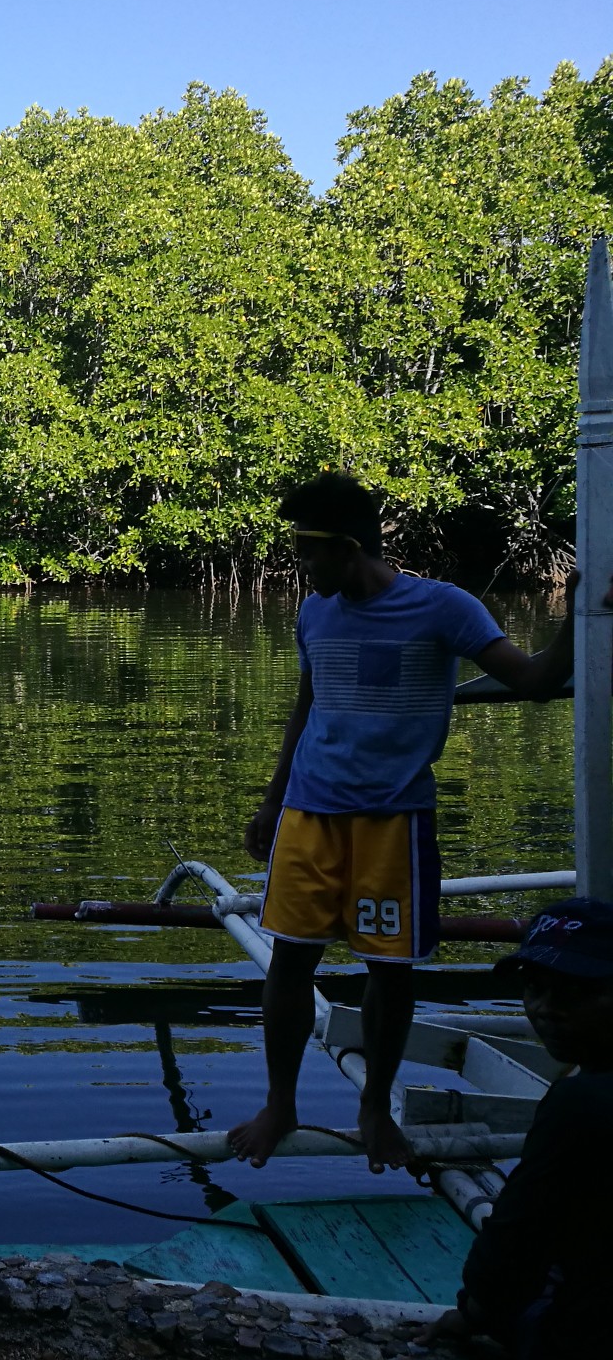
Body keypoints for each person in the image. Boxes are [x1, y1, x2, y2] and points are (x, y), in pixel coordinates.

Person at [229, 472, 578, 1171]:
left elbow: (536, 684)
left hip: (393, 823)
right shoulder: (315, 612)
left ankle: (373, 1107)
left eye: (309, 552)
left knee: (389, 973)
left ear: (349, 547)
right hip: (308, 814)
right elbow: (309, 704)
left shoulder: (444, 609)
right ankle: (281, 1104)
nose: (302, 566)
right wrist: (272, 800)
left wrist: (578, 615)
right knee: (290, 963)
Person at [459, 898, 613, 1360]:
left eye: (578, 992)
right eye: (535, 987)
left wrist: (475, 1311)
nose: (546, 1008)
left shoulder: (582, 1102)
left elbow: (514, 1244)